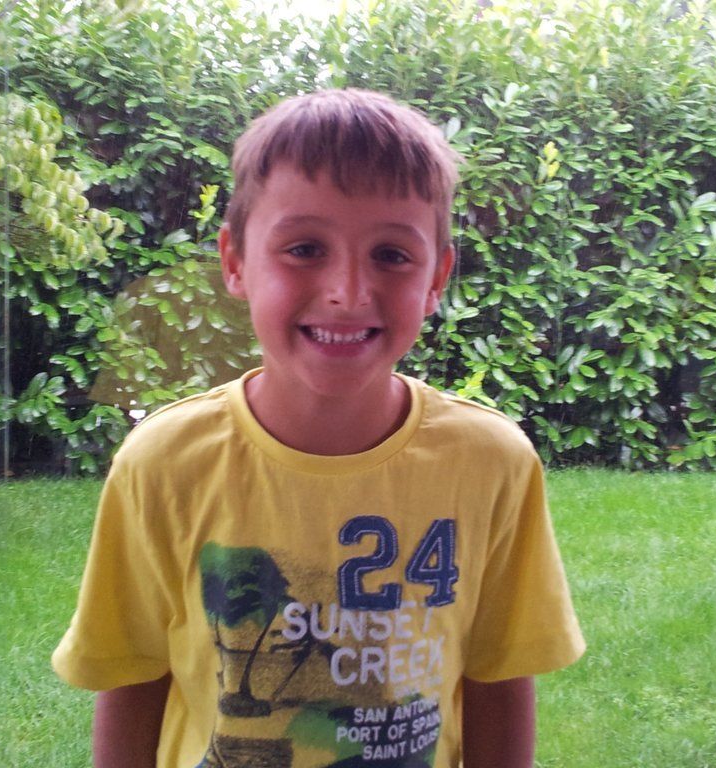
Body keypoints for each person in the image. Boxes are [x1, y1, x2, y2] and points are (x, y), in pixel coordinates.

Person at [52, 88, 584, 768]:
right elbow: (131, 676)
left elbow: (499, 678)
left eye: (392, 255)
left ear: (437, 277)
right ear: (235, 261)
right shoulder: (162, 463)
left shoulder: (492, 463)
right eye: (304, 248)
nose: (348, 292)